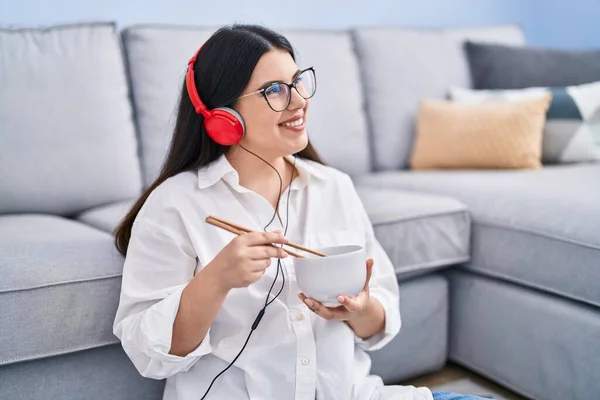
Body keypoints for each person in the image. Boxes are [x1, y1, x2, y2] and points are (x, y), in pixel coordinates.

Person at [112, 24, 492, 400]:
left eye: (297, 82)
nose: (299, 101)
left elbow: (379, 321)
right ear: (223, 117)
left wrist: (358, 310)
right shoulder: (174, 205)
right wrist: (217, 279)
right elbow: (150, 353)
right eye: (273, 90)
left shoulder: (334, 187)